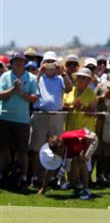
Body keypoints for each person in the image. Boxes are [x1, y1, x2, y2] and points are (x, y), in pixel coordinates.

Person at [29, 51, 73, 187]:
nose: (49, 65)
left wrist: (63, 72)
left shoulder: (60, 78)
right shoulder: (38, 78)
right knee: (37, 148)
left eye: (52, 62)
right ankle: (37, 177)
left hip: (56, 116)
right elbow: (31, 87)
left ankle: (53, 178)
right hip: (40, 115)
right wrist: (40, 72)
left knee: (57, 148)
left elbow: (70, 88)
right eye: (47, 62)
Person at [0, 52, 38, 188]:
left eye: (21, 60)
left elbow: (35, 98)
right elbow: (1, 95)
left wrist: (21, 92)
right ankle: (4, 174)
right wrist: (13, 89)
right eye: (16, 60)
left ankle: (22, 177)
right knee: (3, 149)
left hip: (22, 120)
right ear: (12, 62)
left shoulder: (32, 78)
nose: (18, 62)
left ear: (25, 62)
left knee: (22, 151)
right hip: (4, 117)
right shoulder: (5, 76)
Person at [37, 128, 98, 200]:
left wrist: (84, 151)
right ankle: (73, 183)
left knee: (81, 159)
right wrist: (43, 188)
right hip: (79, 145)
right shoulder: (59, 148)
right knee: (74, 168)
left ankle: (86, 190)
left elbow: (89, 138)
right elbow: (51, 167)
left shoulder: (68, 137)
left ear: (61, 146)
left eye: (58, 152)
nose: (59, 155)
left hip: (91, 140)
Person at [63, 68, 97, 132]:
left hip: (85, 131)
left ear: (88, 80)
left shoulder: (92, 94)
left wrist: (81, 107)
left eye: (83, 78)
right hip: (70, 128)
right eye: (79, 77)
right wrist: (72, 106)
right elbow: (63, 106)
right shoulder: (69, 91)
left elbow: (93, 113)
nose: (80, 79)